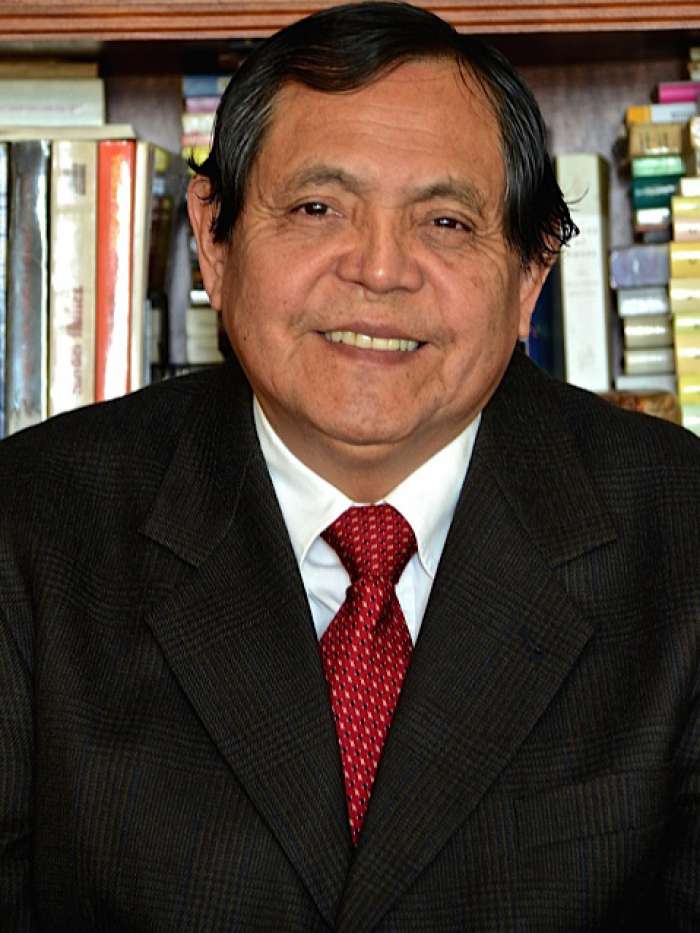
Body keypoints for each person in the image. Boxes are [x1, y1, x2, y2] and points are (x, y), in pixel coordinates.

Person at [1, 2, 698, 929]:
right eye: (318, 208)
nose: (379, 270)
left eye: (445, 221)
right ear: (214, 238)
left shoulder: (681, 533)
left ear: (531, 274)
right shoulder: (32, 524)